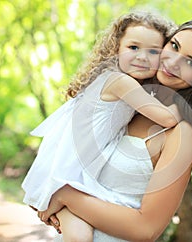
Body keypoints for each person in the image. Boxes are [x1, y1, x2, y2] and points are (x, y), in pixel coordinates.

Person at [38, 15, 192, 241]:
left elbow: (146, 229)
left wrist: (67, 197)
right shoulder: (130, 103)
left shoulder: (182, 132)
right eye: (174, 45)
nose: (172, 62)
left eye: (191, 62)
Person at [21, 11, 180, 242]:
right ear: (117, 48)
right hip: (70, 172)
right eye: (133, 47)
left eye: (153, 51)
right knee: (80, 238)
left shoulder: (124, 82)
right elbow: (166, 118)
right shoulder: (120, 82)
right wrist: (183, 108)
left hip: (79, 173)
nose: (142, 57)